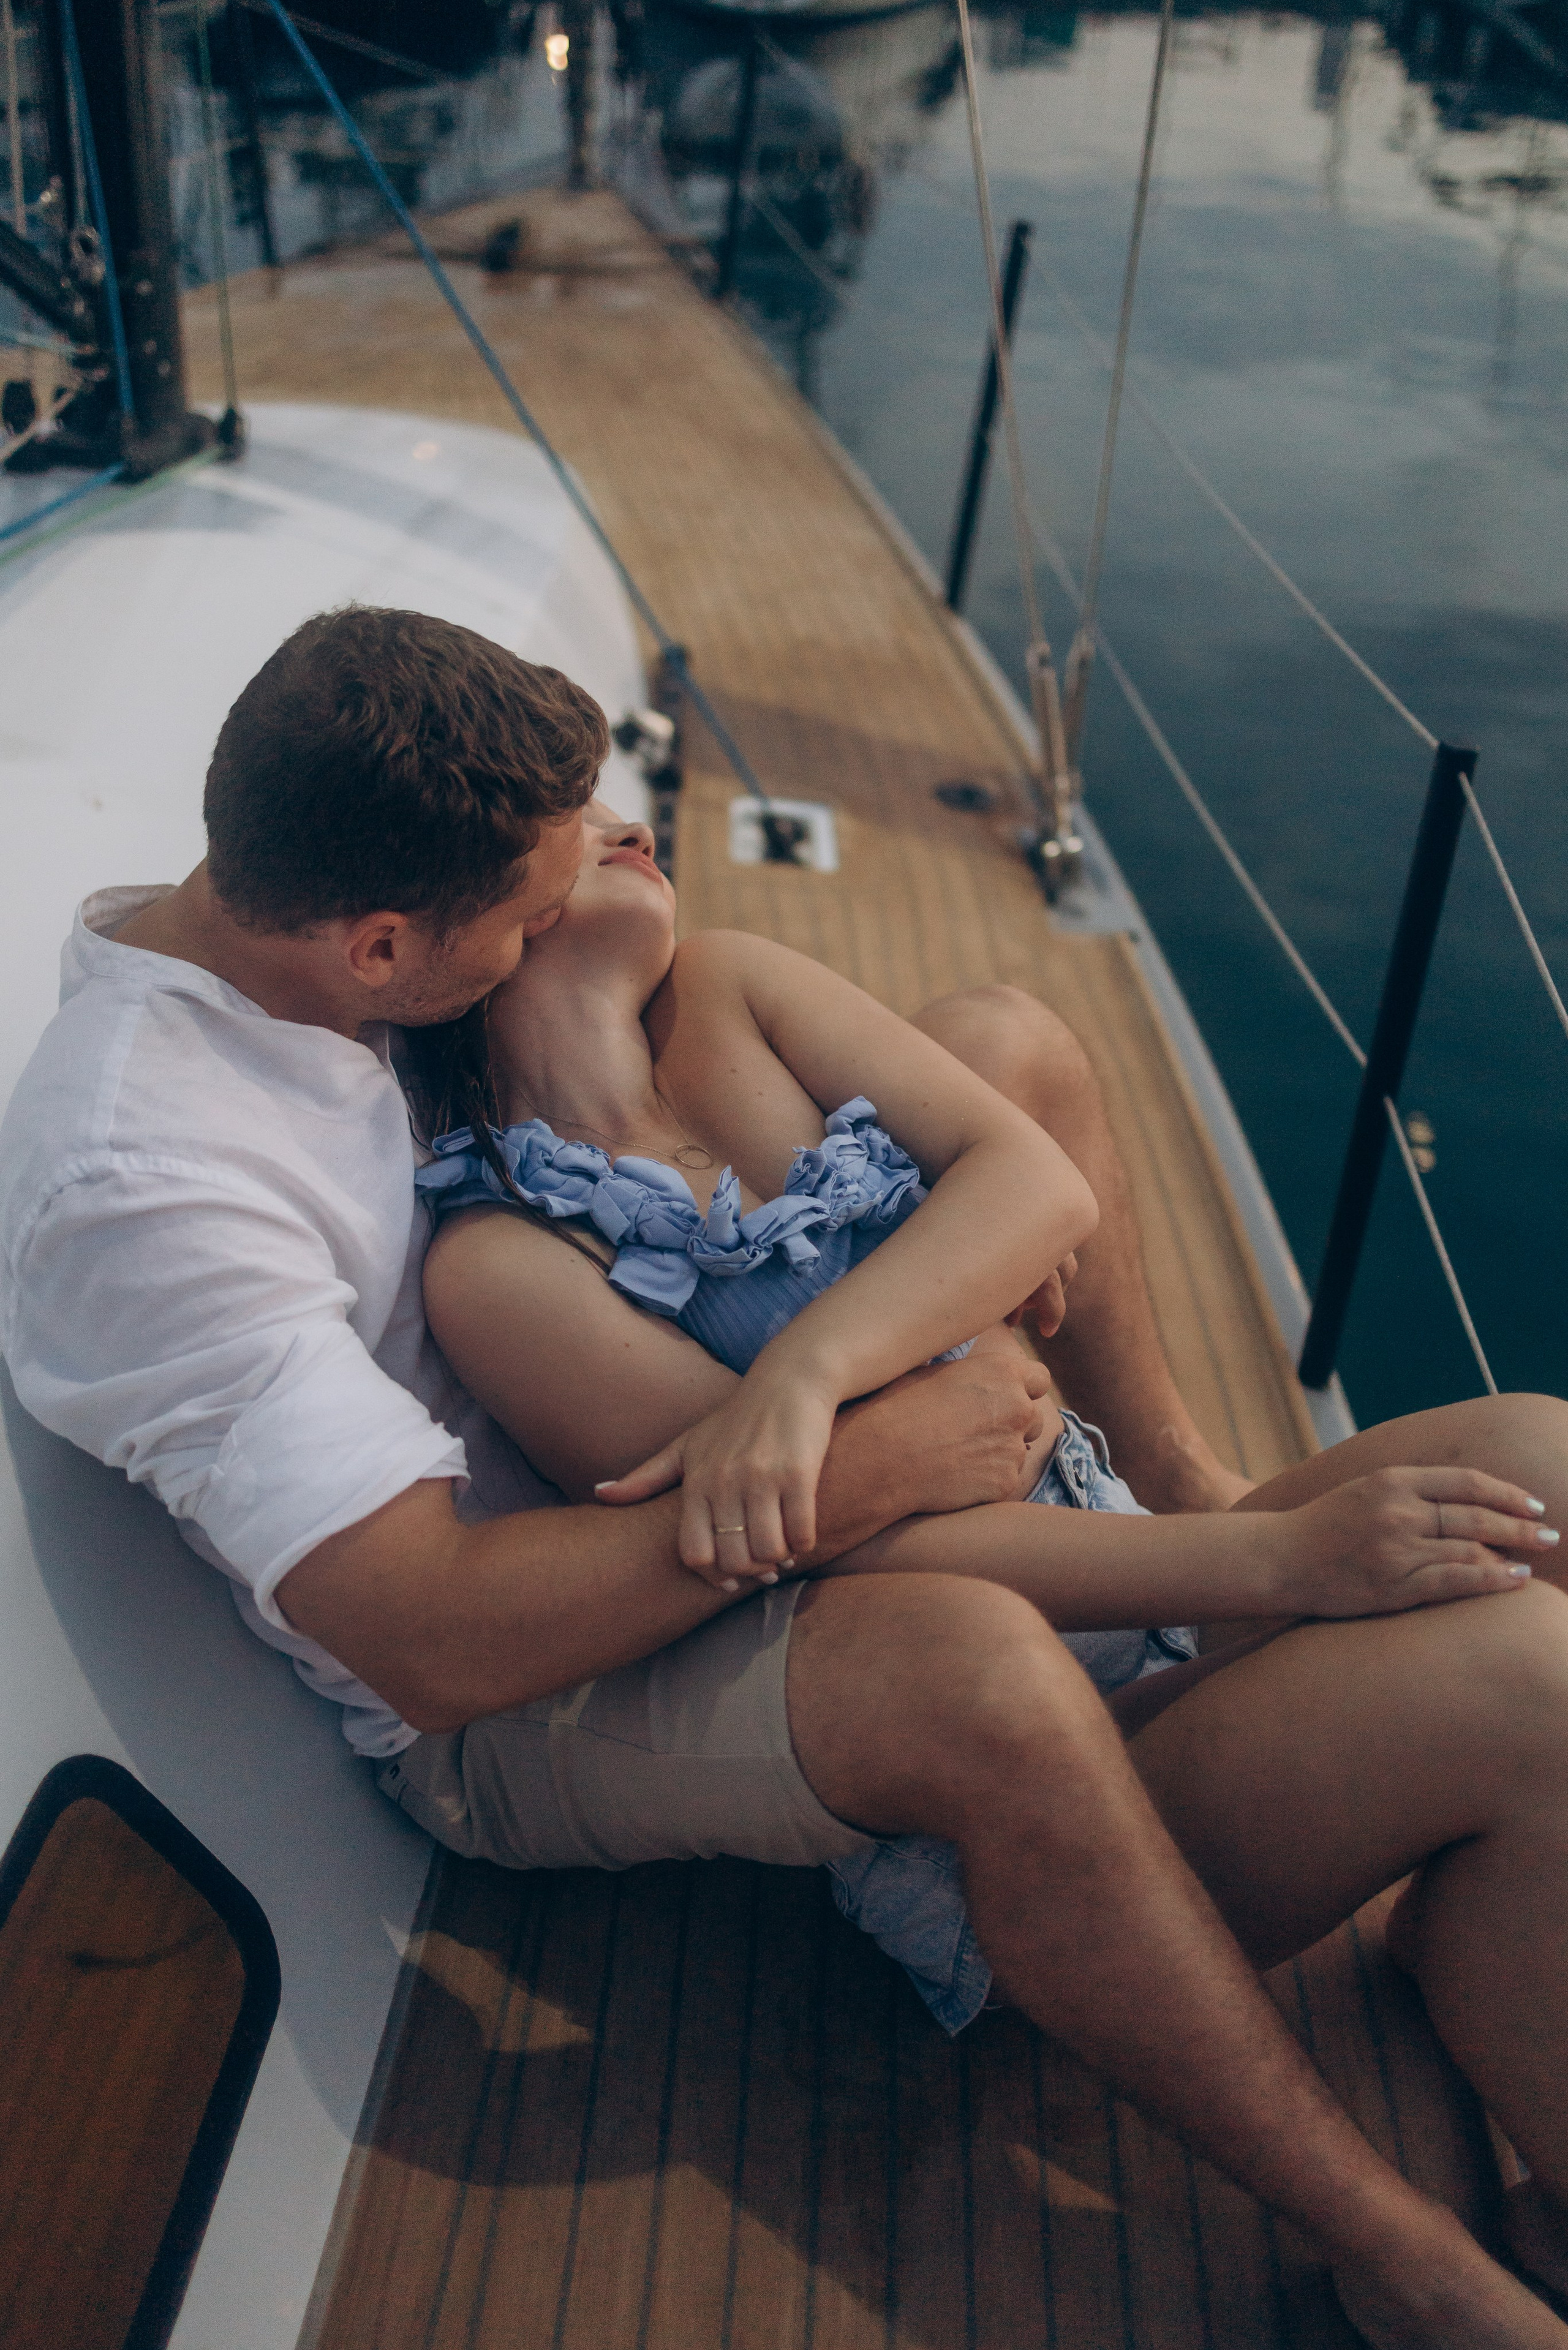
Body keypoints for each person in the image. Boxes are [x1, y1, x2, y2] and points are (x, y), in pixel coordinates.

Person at [2, 606, 1566, 2350]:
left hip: (781, 1480)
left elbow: (963, 1181)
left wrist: (876, 1342)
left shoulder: (371, 941)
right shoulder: (160, 1183)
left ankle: (1448, 1885)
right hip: (529, 1649)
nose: (612, 856)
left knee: (1542, 1464)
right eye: (542, 892)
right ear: (387, 952)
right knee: (1418, 1679)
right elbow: (428, 1637)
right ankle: (1407, 2259)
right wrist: (882, 1452)